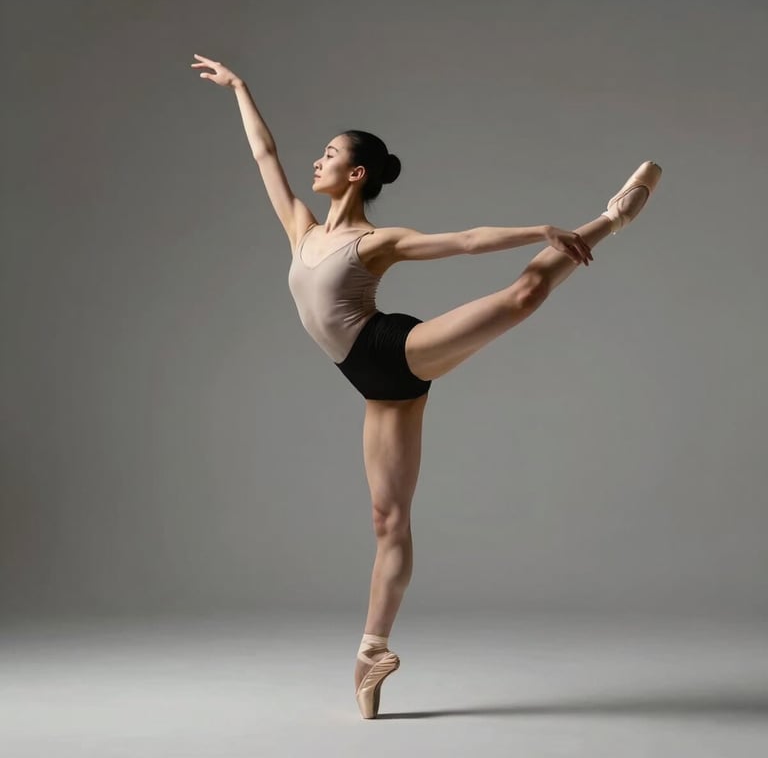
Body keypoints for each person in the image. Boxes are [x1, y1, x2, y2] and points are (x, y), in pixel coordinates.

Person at [190, 53, 662, 719]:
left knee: (524, 293)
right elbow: (264, 154)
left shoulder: (376, 241)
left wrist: (538, 229)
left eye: (328, 154)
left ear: (356, 173)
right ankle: (372, 651)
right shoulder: (299, 226)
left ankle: (608, 219)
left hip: (395, 348)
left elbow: (465, 240)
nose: (314, 161)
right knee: (389, 520)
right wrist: (239, 87)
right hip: (372, 384)